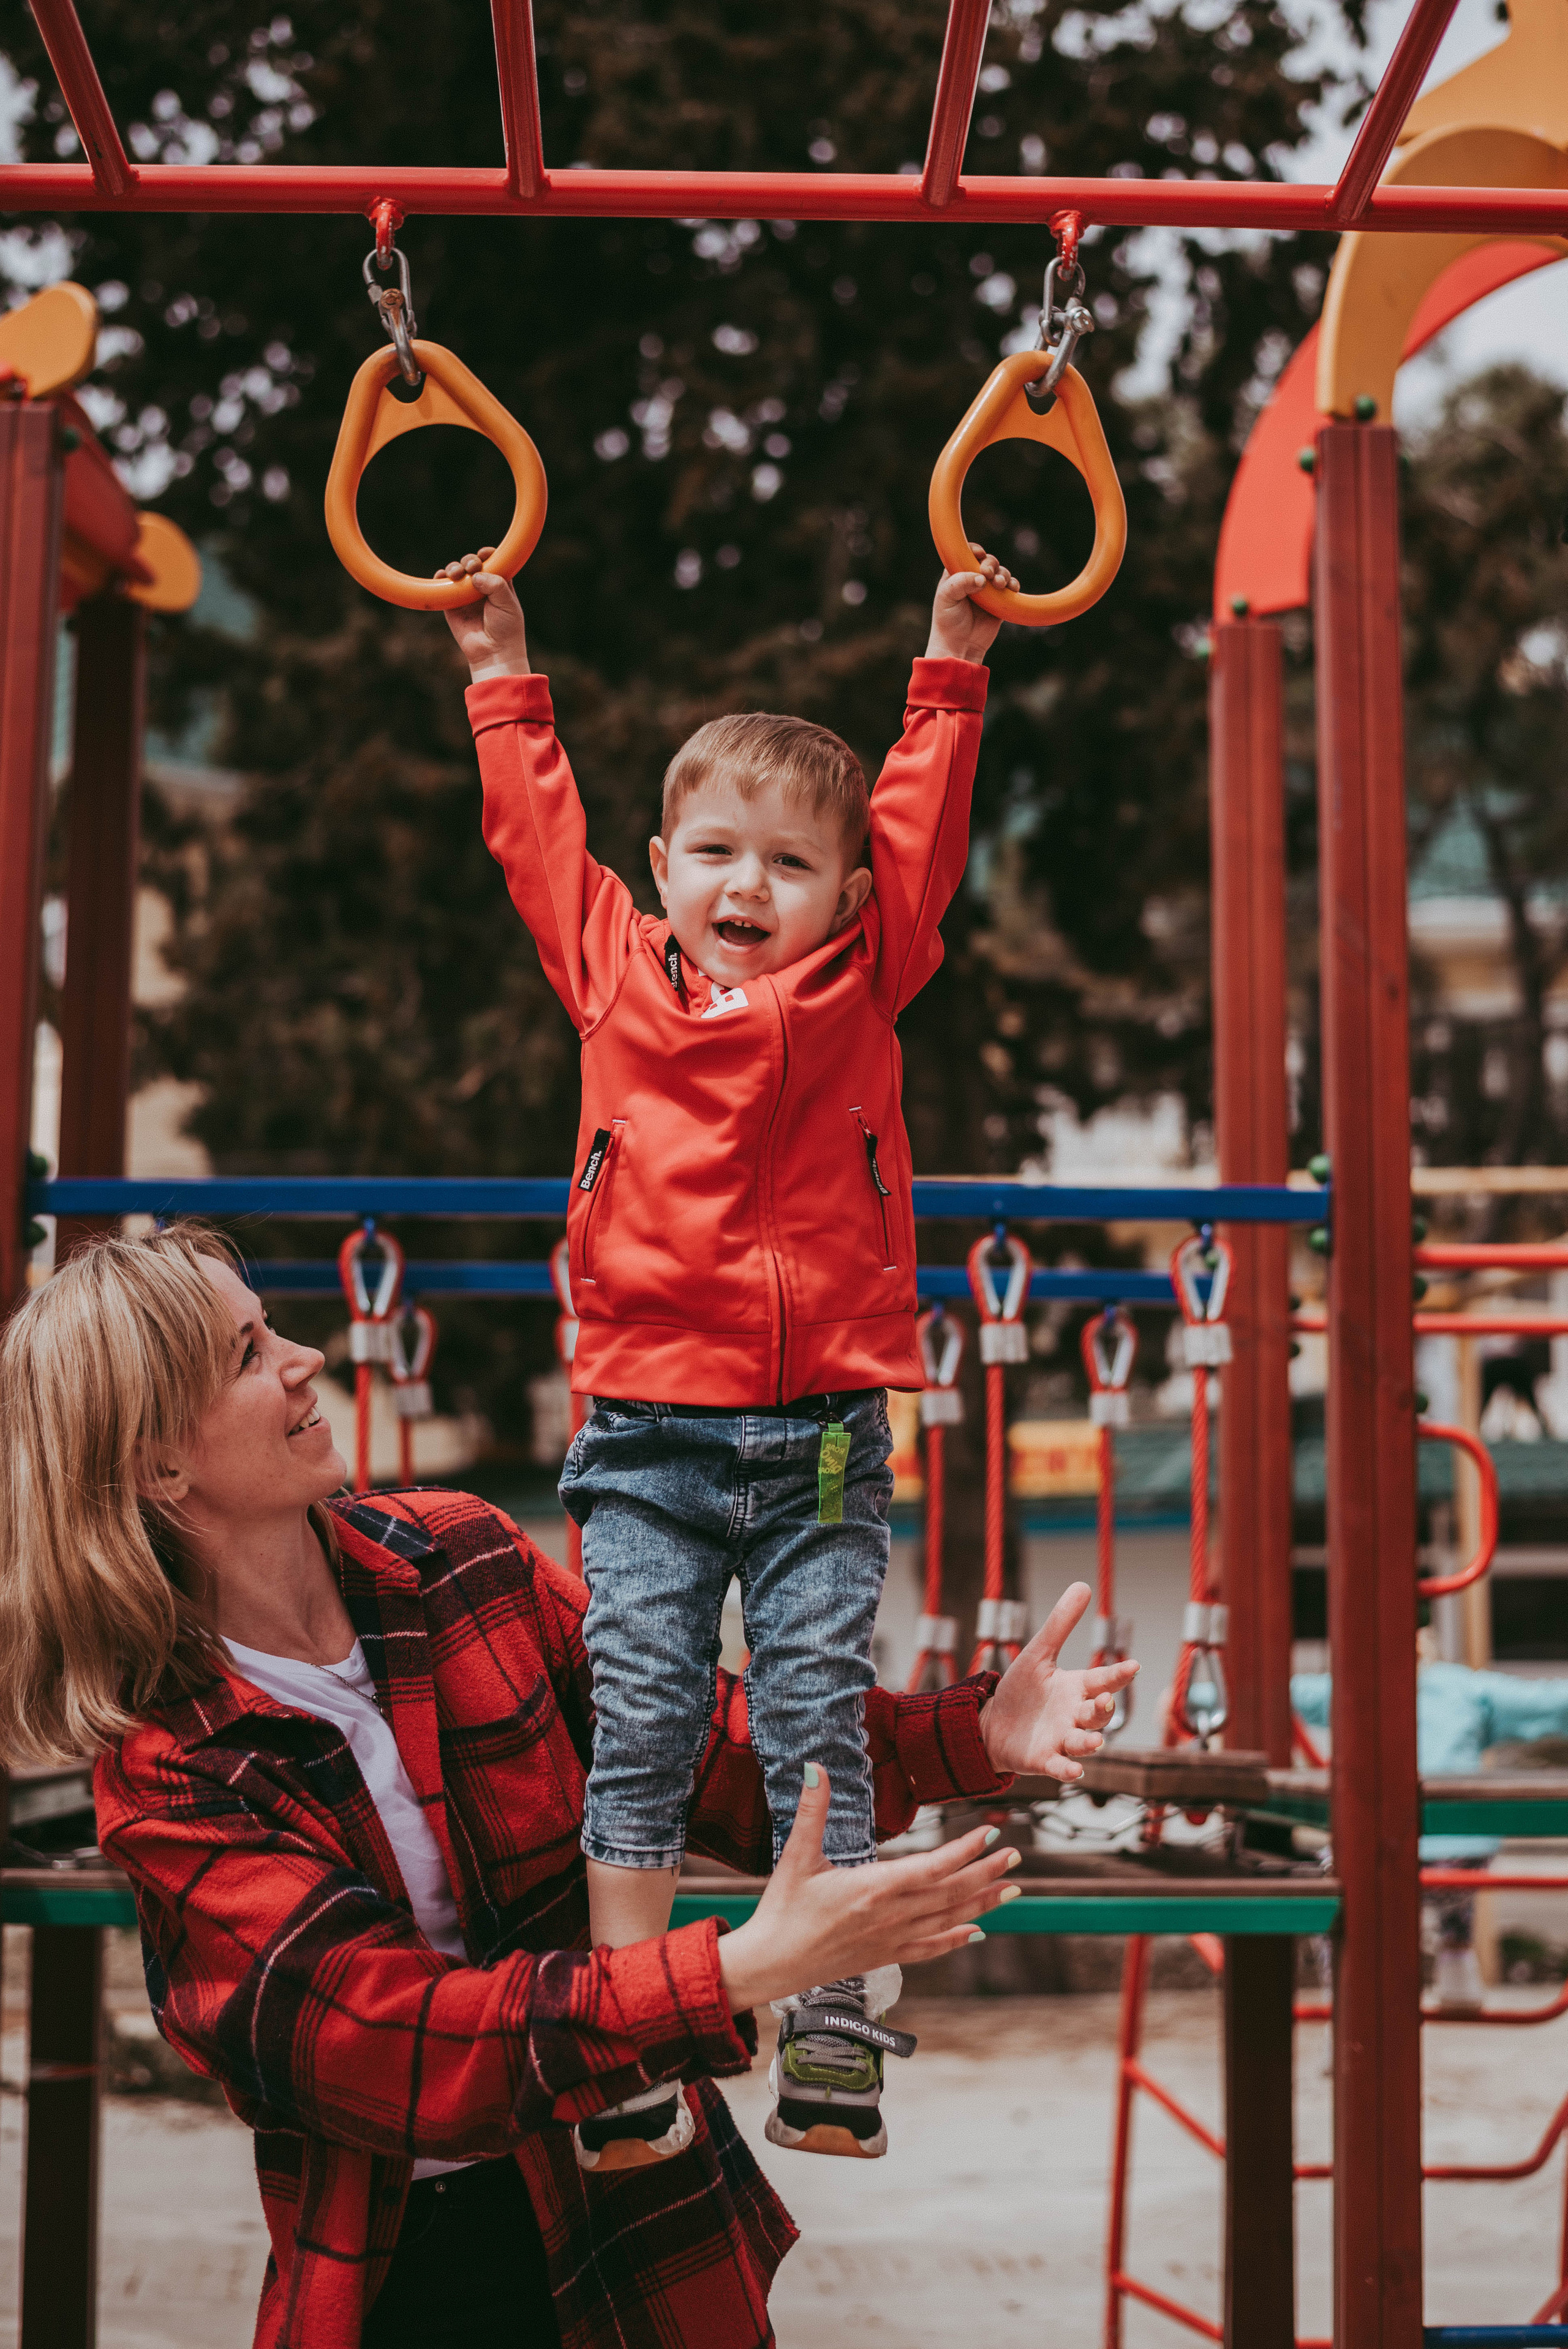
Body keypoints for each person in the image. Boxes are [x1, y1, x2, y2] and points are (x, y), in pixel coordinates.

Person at [0, 1225, 1137, 2349]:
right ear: (159, 1463)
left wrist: (975, 1731)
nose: (302, 1356)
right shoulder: (169, 1770)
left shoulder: (461, 1555)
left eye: (273, 1328)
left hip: (642, 2212)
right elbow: (402, 2041)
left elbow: (703, 1747)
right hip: (413, 2269)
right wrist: (740, 1967)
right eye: (247, 1353)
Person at [438, 536, 1023, 2162]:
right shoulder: (616, 970)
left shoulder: (870, 976)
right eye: (713, 852)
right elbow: (534, 834)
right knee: (637, 1714)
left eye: (786, 862)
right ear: (663, 862)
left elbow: (923, 807)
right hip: (649, 1427)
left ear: (852, 897)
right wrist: (502, 671)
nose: (746, 886)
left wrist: (951, 652)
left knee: (815, 1709)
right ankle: (628, 2026)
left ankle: (830, 2019)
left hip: (829, 1421)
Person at [1293, 1635, 1568, 2008]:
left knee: (1339, 1886)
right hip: (1456, 1864)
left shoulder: (1350, 1687)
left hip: (1375, 1857)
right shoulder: (1466, 1688)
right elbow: (1549, 1703)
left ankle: (1343, 2001)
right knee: (1455, 1861)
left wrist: (1204, 1698)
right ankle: (1457, 1960)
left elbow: (1273, 1695)